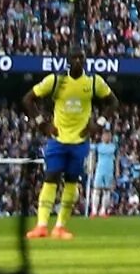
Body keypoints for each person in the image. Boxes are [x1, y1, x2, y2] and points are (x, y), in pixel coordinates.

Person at [23, 52, 112, 240]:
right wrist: (42, 123)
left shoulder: (93, 82)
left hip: (79, 141)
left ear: (85, 60)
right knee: (51, 177)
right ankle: (41, 225)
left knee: (72, 181)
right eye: (74, 58)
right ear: (69, 61)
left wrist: (98, 123)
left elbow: (113, 102)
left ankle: (60, 226)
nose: (78, 61)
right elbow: (28, 99)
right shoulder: (55, 80)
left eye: (81, 58)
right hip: (58, 139)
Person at [87, 130, 118, 219]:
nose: (107, 137)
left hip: (109, 170)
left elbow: (117, 159)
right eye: (105, 135)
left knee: (107, 191)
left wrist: (117, 171)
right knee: (96, 190)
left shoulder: (114, 147)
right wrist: (91, 168)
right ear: (102, 136)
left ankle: (103, 210)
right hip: (100, 170)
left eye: (109, 135)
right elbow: (93, 158)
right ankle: (94, 210)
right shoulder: (98, 147)